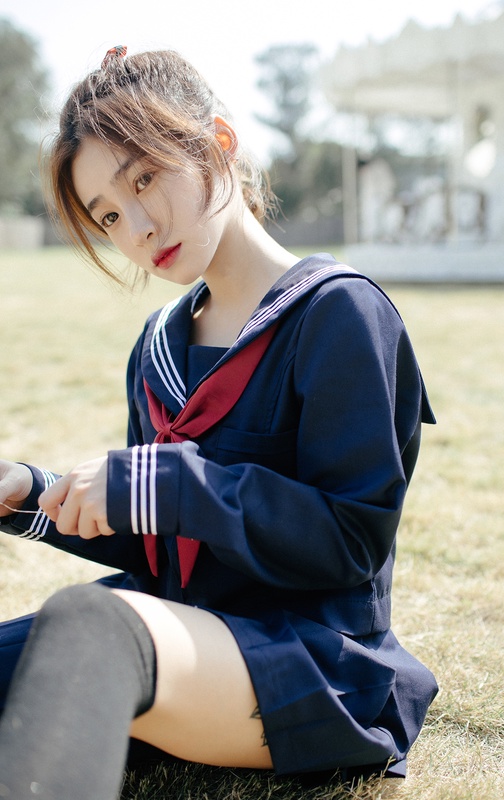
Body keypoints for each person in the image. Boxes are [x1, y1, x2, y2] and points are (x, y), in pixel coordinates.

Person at [0, 47, 438, 799]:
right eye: (109, 215)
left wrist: (165, 481)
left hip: (311, 661)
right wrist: (31, 495)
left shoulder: (337, 313)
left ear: (217, 142)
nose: (138, 227)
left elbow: (350, 543)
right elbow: (161, 550)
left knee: (89, 624)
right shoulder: (157, 348)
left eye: (144, 178)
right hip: (184, 641)